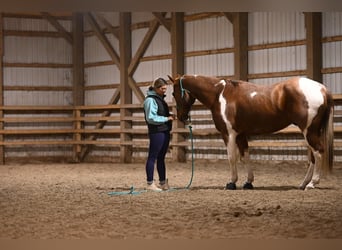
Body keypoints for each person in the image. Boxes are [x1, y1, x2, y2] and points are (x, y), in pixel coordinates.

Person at [143, 77, 175, 191]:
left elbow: (159, 113)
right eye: (162, 88)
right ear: (156, 88)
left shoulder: (160, 99)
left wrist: (169, 116)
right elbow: (151, 118)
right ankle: (150, 183)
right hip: (156, 131)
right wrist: (166, 118)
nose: (164, 91)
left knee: (161, 157)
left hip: (164, 130)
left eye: (165, 88)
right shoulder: (150, 100)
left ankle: (162, 182)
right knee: (153, 156)